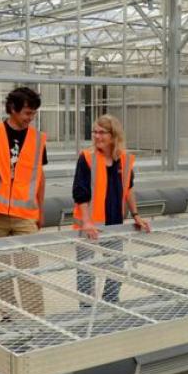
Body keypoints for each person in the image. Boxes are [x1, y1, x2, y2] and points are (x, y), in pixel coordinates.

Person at [0, 87, 49, 318]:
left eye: (34, 113)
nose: (30, 118)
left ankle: (35, 317)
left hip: (25, 215)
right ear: (12, 109)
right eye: (27, 112)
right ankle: (9, 316)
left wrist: (40, 210)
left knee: (30, 269)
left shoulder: (38, 138)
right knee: (1, 271)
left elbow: (40, 176)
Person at [72, 114, 151, 305]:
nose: (97, 136)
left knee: (116, 267)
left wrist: (136, 215)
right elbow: (80, 193)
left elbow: (128, 189)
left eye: (102, 132)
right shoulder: (87, 158)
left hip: (114, 222)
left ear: (113, 135)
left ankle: (111, 304)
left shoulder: (124, 160)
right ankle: (86, 309)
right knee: (85, 270)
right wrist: (87, 221)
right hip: (90, 224)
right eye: (95, 132)